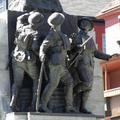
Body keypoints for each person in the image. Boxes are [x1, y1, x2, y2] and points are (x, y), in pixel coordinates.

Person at [69, 17, 112, 114]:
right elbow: (70, 49)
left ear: (90, 28)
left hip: (90, 63)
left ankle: (82, 107)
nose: (85, 24)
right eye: (84, 23)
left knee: (88, 87)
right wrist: (77, 48)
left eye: (88, 24)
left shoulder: (90, 39)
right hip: (80, 62)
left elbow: (95, 52)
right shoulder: (76, 36)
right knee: (86, 83)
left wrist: (108, 57)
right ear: (80, 25)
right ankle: (71, 93)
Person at [39, 12, 76, 113]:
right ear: (59, 23)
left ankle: (69, 107)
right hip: (55, 64)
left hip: (63, 64)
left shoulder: (63, 35)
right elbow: (43, 46)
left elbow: (68, 48)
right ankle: (42, 104)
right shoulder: (52, 35)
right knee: (52, 84)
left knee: (69, 82)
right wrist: (42, 54)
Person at [10, 12, 44, 111]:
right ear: (39, 23)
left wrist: (29, 14)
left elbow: (19, 18)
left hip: (17, 57)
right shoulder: (35, 33)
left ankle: (13, 101)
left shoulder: (21, 27)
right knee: (37, 80)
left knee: (17, 83)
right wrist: (40, 54)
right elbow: (34, 48)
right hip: (29, 60)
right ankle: (33, 105)